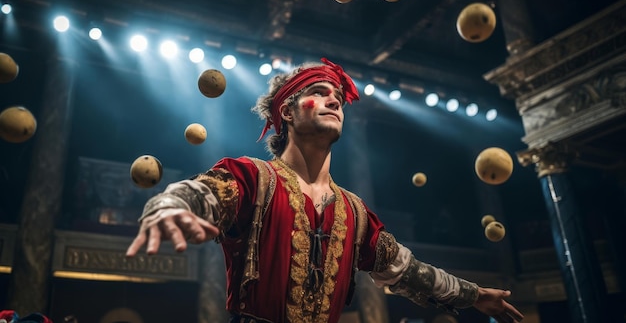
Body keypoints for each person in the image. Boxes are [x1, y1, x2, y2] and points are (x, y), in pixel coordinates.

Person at [125, 58, 524, 323]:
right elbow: (199, 194)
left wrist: (473, 295)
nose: (334, 99)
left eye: (338, 97)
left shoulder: (356, 213)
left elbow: (408, 272)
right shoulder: (251, 178)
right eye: (319, 91)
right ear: (287, 111)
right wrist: (166, 206)